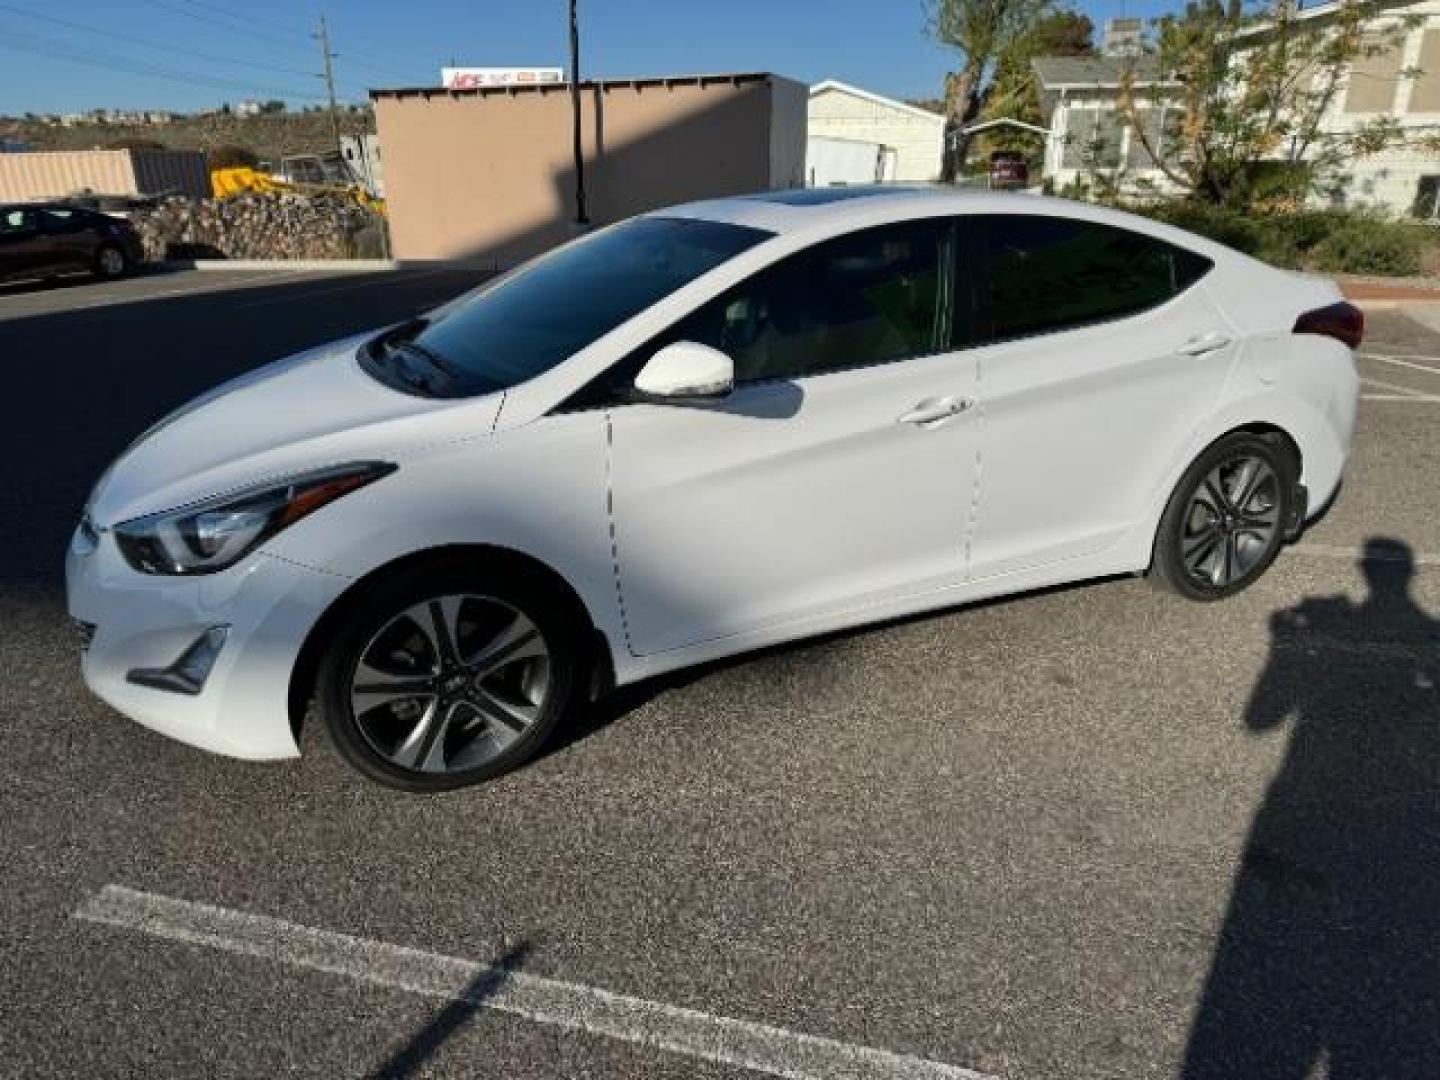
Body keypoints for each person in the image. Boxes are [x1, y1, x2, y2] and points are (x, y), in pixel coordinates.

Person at [1181, 538, 1440, 1078]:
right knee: (1381, 1019)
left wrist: (1285, 647)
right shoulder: (1427, 638)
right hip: (1401, 831)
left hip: (1314, 813)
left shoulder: (1335, 632)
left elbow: (1259, 719)